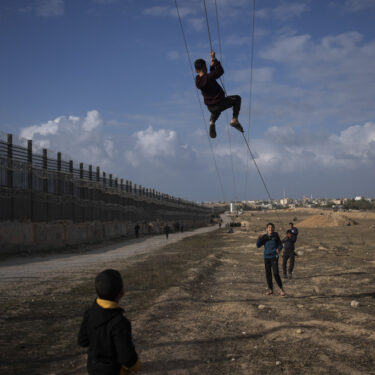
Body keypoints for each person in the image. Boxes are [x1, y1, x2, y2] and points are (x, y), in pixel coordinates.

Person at [78, 269, 141, 375]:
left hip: (93, 368)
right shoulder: (120, 322)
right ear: (122, 292)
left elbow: (83, 341)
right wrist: (136, 365)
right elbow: (127, 358)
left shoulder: (89, 313)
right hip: (114, 370)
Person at [195, 51, 243, 139]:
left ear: (196, 70)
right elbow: (220, 71)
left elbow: (210, 76)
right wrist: (214, 59)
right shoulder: (209, 77)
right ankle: (234, 120)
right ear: (205, 67)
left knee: (216, 110)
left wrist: (211, 67)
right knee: (237, 98)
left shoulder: (198, 80)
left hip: (210, 107)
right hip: (220, 103)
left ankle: (212, 122)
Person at [256, 223, 286, 296]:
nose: (270, 229)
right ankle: (270, 290)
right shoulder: (264, 237)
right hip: (266, 257)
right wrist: (259, 238)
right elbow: (258, 245)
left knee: (275, 273)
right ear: (266, 229)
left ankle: (281, 289)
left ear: (274, 229)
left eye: (272, 227)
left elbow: (280, 245)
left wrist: (278, 249)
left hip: (274, 257)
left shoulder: (275, 236)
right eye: (269, 227)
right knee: (268, 274)